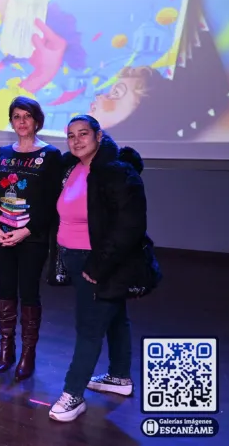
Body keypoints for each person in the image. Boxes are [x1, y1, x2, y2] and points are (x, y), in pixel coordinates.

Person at [49, 114, 148, 422]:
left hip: (99, 263)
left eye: (83, 134)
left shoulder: (117, 172)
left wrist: (98, 267)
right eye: (71, 136)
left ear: (99, 135)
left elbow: (129, 227)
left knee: (89, 327)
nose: (76, 140)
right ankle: (119, 377)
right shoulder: (73, 168)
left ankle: (73, 394)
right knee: (115, 317)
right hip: (77, 258)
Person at [0, 96, 63, 380]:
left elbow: (53, 202)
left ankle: (29, 353)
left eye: (27, 116)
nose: (21, 121)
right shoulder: (2, 153)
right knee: (5, 290)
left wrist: (25, 231)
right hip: (2, 235)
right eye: (16, 116)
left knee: (29, 292)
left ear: (37, 121)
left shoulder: (51, 155)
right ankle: (7, 349)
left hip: (33, 237)